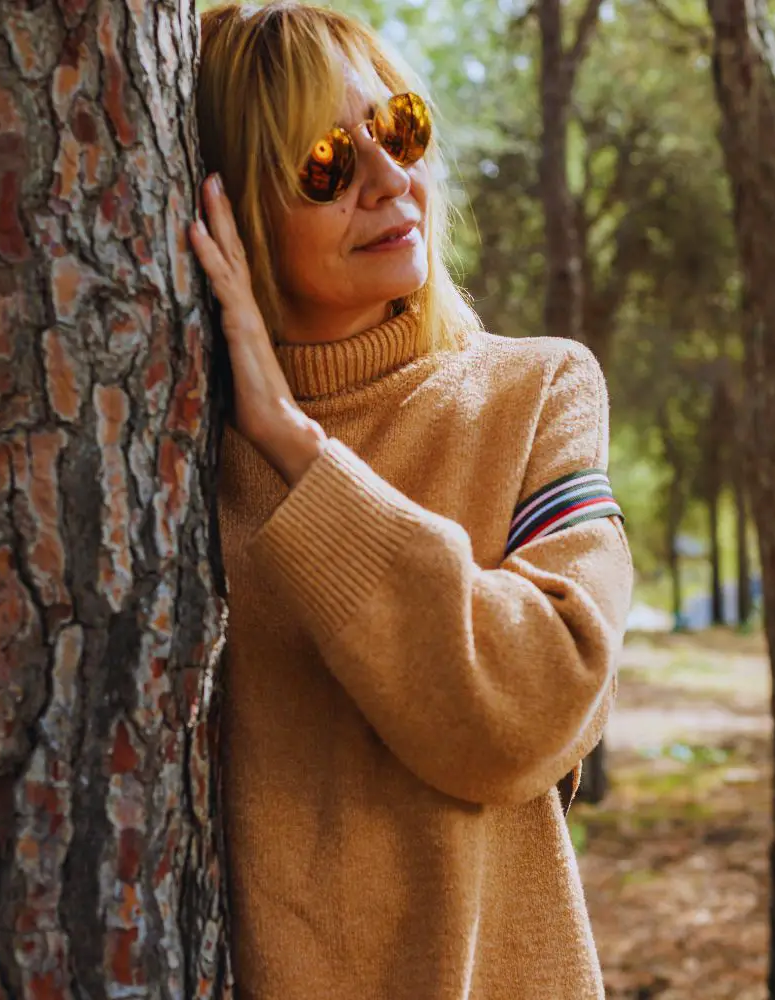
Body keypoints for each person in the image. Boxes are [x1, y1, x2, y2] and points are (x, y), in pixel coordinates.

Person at [189, 3, 633, 998]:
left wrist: (298, 452)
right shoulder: (177, 465)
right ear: (234, 209)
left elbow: (537, 701)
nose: (391, 179)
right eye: (324, 164)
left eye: (398, 129)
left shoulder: (535, 395)